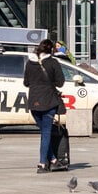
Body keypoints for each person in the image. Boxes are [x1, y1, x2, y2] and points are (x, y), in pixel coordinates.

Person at [24, 38, 65, 173]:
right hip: (49, 101)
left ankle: (53, 159)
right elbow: (60, 83)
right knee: (46, 132)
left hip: (34, 102)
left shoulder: (30, 63)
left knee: (44, 132)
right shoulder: (53, 63)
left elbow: (26, 82)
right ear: (51, 50)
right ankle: (42, 164)